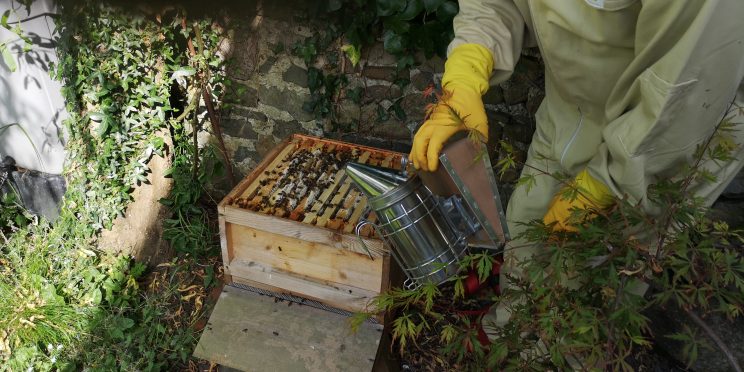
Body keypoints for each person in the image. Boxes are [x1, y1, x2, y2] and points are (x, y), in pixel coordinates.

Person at [410, 0, 744, 324]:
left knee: (587, 283)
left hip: (666, 137)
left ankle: (562, 356)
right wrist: (466, 74)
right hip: (571, 111)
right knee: (527, 234)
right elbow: (493, 5)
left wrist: (606, 184)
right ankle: (512, 339)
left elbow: (688, 87)